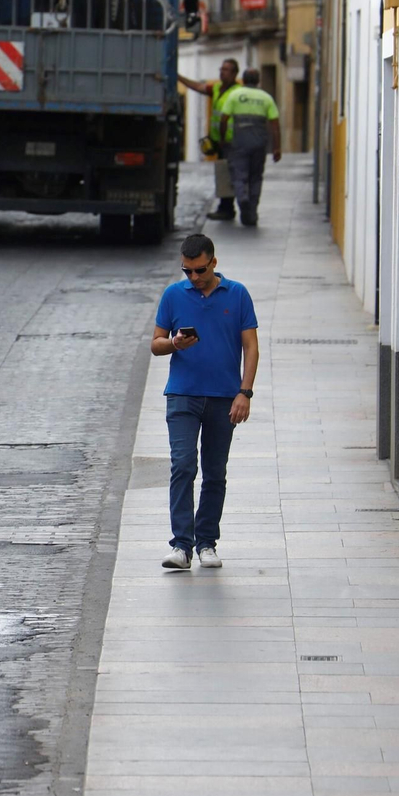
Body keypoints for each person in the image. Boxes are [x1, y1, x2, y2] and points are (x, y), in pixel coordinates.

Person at [150, 233, 260, 569]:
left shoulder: (237, 294)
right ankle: (181, 544)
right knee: (182, 465)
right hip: (182, 393)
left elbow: (251, 347)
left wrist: (245, 392)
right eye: (187, 271)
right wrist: (175, 344)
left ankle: (206, 542)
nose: (194, 278)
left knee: (215, 472)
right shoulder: (173, 295)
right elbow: (155, 344)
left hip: (224, 398)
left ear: (213, 262)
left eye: (199, 270)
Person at [211, 68, 282, 228]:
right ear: (258, 81)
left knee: (239, 173)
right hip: (259, 142)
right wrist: (277, 148)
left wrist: (222, 139)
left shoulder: (235, 96)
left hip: (239, 142)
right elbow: (275, 125)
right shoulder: (266, 97)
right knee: (256, 176)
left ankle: (242, 198)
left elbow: (224, 119)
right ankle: (252, 211)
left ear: (243, 79)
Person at [177, 59, 241, 221]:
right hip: (219, 141)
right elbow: (198, 87)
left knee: (228, 174)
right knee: (222, 173)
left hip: (232, 142)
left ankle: (227, 207)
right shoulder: (218, 88)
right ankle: (225, 206)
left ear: (234, 73)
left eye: (226, 70)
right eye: (221, 69)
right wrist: (179, 77)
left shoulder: (238, 92)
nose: (222, 72)